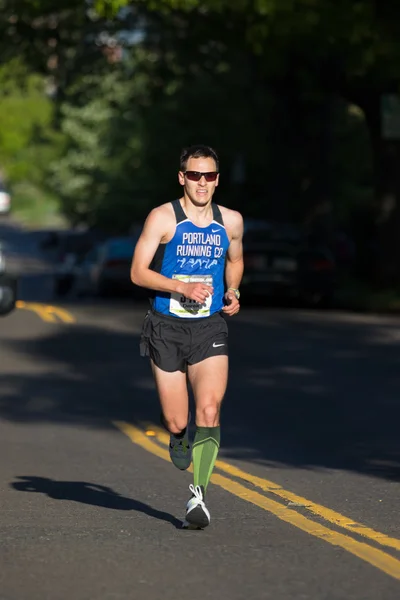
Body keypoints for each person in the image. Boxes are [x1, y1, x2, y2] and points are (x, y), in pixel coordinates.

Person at [130, 144, 244, 529]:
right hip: (166, 327)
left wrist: (234, 291)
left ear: (217, 178)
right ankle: (178, 436)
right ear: (182, 177)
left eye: (209, 175)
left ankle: (198, 496)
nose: (202, 183)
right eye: (194, 175)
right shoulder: (163, 218)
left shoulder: (230, 221)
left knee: (209, 409)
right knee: (177, 419)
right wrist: (180, 287)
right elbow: (137, 272)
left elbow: (236, 260)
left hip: (209, 326)